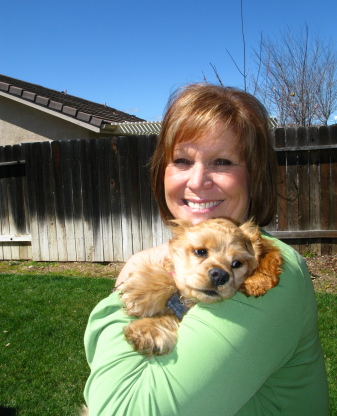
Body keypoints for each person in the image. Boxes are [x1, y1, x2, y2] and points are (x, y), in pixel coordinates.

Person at [83, 84, 329, 415]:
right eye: (182, 160)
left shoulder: (267, 272)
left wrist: (124, 292)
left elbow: (120, 409)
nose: (198, 181)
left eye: (223, 161)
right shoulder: (181, 263)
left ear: (253, 177)